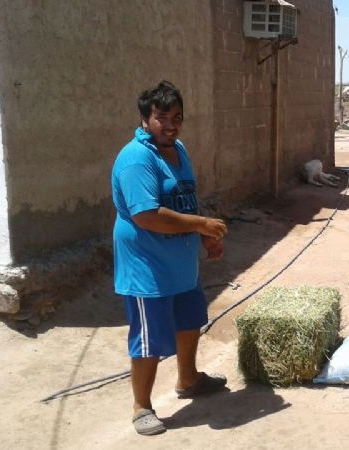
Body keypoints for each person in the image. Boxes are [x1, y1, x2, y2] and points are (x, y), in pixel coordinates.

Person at [111, 81, 229, 435]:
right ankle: (141, 406)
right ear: (145, 119)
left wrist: (205, 236)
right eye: (162, 117)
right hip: (147, 267)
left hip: (180, 264)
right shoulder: (136, 158)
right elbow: (147, 215)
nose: (171, 124)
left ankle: (188, 379)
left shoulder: (178, 150)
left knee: (189, 321)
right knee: (150, 339)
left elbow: (184, 199)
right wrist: (203, 223)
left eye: (177, 117)